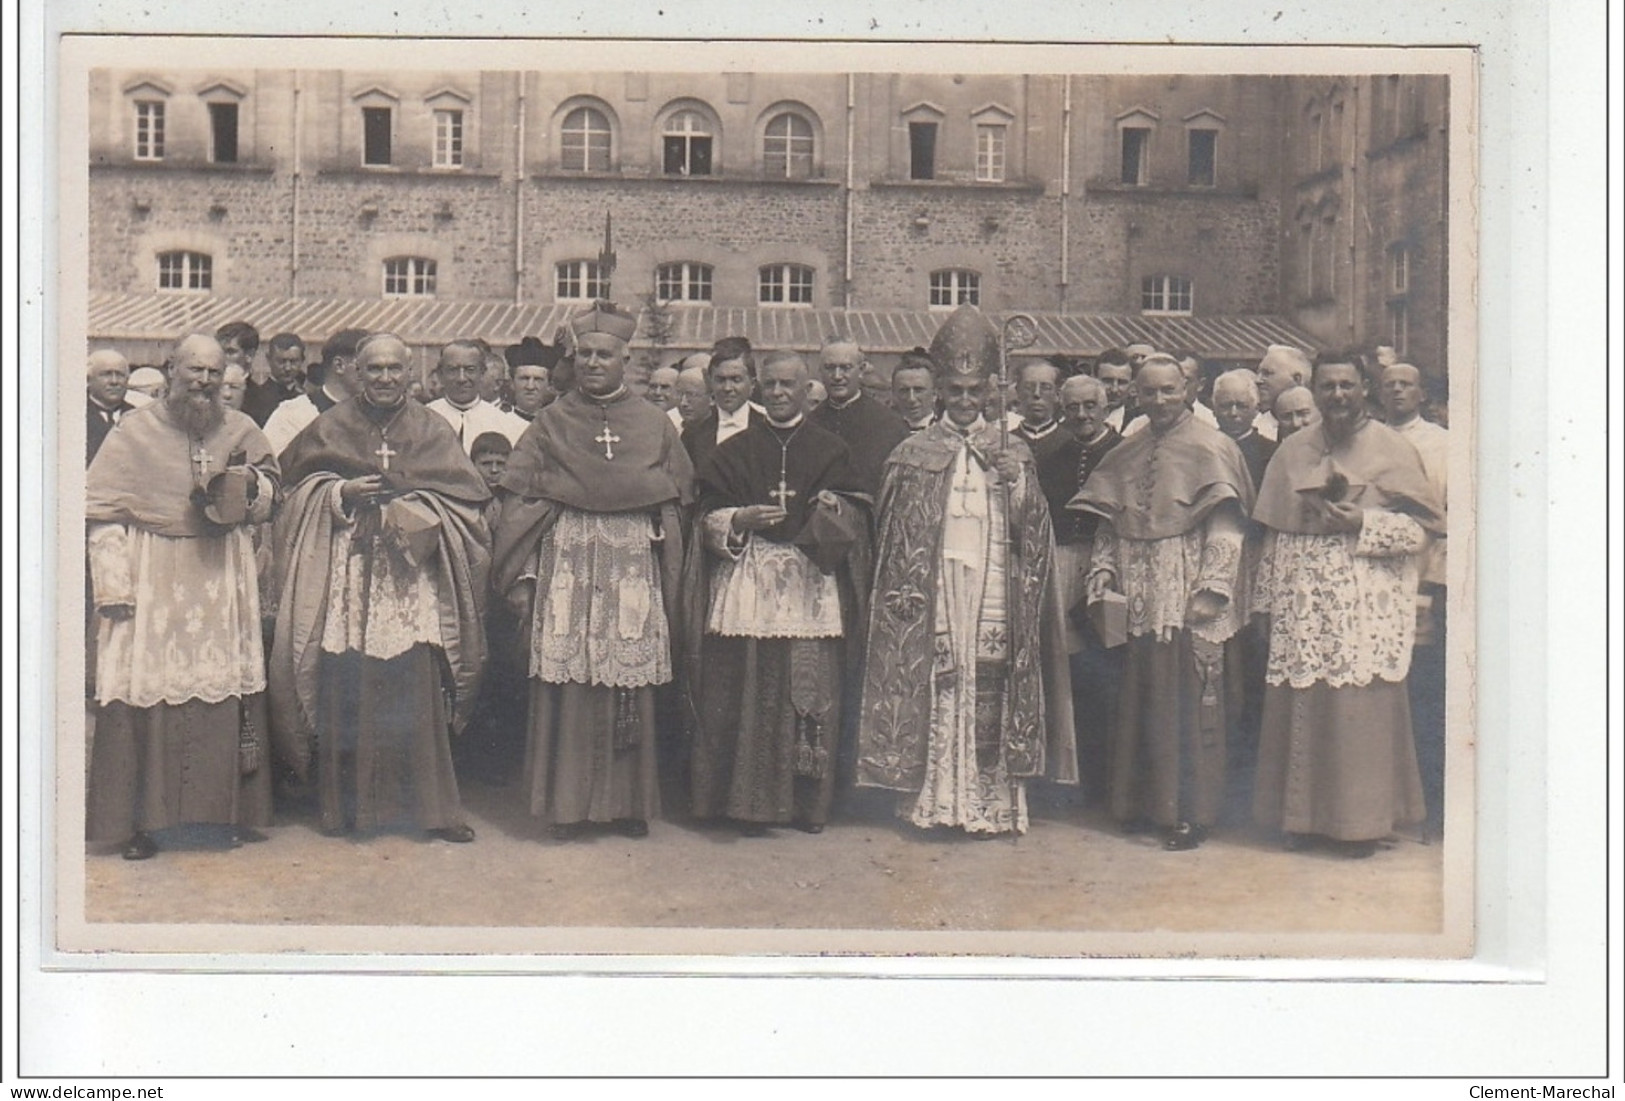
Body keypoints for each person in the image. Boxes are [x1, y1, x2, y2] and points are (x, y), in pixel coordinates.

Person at [857, 305, 1077, 837]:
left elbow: (1035, 532)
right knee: (939, 682)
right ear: (938, 393)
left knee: (990, 683)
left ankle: (989, 804)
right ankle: (934, 802)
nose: (964, 402)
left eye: (974, 392)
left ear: (990, 394)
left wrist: (1017, 485)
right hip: (932, 588)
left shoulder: (1012, 451)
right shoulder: (913, 452)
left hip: (994, 584)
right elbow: (890, 534)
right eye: (954, 391)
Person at [269, 333, 489, 843]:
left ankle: (432, 811)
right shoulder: (330, 425)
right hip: (351, 569)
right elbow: (291, 491)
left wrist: (423, 510)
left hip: (410, 577)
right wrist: (338, 492)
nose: (385, 378)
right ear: (356, 374)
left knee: (416, 683)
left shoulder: (431, 428)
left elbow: (468, 503)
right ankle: (354, 811)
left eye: (395, 369)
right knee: (352, 681)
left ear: (410, 373)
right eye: (374, 370)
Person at [493, 302, 694, 841]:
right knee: (572, 679)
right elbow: (521, 500)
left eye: (604, 354)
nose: (593, 363)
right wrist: (526, 574)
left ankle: (627, 804)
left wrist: (659, 531)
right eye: (584, 354)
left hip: (631, 562)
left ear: (625, 359)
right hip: (569, 563)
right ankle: (568, 805)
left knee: (629, 679)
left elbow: (679, 500)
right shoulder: (550, 421)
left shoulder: (654, 424)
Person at [85, 333, 279, 860]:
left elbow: (271, 491)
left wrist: (247, 489)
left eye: (215, 373)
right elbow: (100, 511)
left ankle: (219, 816)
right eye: (194, 371)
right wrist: (113, 588)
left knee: (219, 692)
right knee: (151, 690)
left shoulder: (241, 428)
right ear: (171, 370)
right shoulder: (133, 432)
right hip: (154, 578)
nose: (204, 382)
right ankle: (145, 823)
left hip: (220, 578)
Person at [1250, 354, 1444, 857]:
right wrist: (1268, 606)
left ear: (1365, 390)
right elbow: (1273, 535)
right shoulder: (1292, 449)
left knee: (1357, 710)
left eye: (1347, 385)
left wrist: (1364, 522)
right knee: (1301, 705)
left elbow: (1423, 531)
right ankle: (1301, 819)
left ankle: (1358, 824)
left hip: (1363, 602)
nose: (1337, 395)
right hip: (1302, 604)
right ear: (1313, 389)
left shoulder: (1392, 447)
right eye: (1327, 385)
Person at [1071, 354, 1255, 851]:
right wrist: (1104, 568)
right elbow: (1111, 519)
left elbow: (1227, 525)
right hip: (1139, 594)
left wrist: (1213, 588)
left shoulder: (1212, 447)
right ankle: (1142, 804)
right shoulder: (1128, 450)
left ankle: (1191, 812)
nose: (1159, 400)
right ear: (1134, 393)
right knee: (1141, 699)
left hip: (1189, 593)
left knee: (1191, 708)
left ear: (1186, 390)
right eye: (1148, 391)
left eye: (1168, 390)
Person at [684, 351, 869, 835]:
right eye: (771, 385)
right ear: (758, 389)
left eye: (789, 385)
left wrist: (835, 511)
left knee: (807, 693)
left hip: (811, 581)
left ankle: (806, 804)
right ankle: (738, 803)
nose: (780, 393)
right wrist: (736, 520)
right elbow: (704, 515)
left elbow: (858, 516)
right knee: (739, 685)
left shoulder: (831, 449)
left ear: (809, 391)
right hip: (749, 575)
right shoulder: (733, 449)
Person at [1379, 361, 1450, 832]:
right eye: (1389, 385)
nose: (1398, 391)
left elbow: (1442, 519)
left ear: (1421, 394)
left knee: (1422, 690)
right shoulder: (1372, 441)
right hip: (1378, 580)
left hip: (1425, 578)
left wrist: (1431, 585)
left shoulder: (1440, 445)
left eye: (1406, 384)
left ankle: (1429, 804)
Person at [1057, 372, 1123, 800]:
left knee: (1108, 673)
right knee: (1069, 673)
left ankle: (1105, 782)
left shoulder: (1123, 452)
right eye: (1073, 408)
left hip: (1111, 565)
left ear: (1104, 408)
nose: (1081, 415)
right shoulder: (1053, 453)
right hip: (1063, 565)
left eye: (1089, 407)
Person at [810, 338, 910, 496]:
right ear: (820, 371)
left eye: (845, 368)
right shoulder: (809, 424)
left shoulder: (890, 424)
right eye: (829, 367)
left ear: (862, 370)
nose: (837, 376)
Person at [262, 328, 368, 456]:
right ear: (339, 365)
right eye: (368, 366)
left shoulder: (381, 415)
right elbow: (270, 469)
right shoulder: (292, 416)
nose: (378, 376)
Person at [427, 340, 529, 454]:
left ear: (482, 373)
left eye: (470, 370)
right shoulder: (425, 419)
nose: (462, 378)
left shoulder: (503, 423)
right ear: (441, 374)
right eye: (453, 370)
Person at [681, 337, 765, 473]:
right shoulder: (693, 432)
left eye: (736, 380)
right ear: (710, 383)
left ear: (752, 384)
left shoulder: (767, 426)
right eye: (720, 380)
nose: (727, 388)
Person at [1122, 352, 1219, 436]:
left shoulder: (1211, 423)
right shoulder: (1136, 426)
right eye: (1150, 392)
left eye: (1168, 390)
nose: (1159, 400)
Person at [1212, 369, 1276, 490]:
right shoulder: (1202, 448)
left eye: (1242, 406)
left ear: (1256, 409)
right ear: (1214, 409)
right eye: (1226, 406)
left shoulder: (1271, 453)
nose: (1233, 413)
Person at [242, 332, 308, 427]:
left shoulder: (306, 400)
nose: (287, 368)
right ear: (269, 359)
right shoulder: (253, 398)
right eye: (281, 361)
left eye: (293, 362)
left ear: (302, 361)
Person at [1253, 344, 1312, 441]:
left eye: (1267, 373)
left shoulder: (1325, 426)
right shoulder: (1255, 429)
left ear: (1297, 379)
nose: (1257, 380)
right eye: (1258, 373)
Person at [86, 348, 134, 465]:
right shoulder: (73, 417)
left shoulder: (139, 417)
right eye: (106, 374)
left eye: (120, 375)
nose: (114, 381)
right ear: (88, 380)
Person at [503, 337, 560, 422]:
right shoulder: (499, 423)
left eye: (538, 379)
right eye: (524, 378)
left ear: (549, 385)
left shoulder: (556, 425)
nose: (530, 386)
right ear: (512, 383)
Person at [890, 350, 938, 432]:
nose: (911, 399)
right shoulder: (883, 432)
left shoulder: (950, 433)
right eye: (904, 391)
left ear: (935, 393)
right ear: (894, 395)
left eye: (918, 390)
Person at [1095, 349, 1135, 433]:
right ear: (1093, 380)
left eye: (1121, 382)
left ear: (1131, 386)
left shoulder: (1138, 426)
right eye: (1107, 381)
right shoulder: (1077, 421)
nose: (1114, 389)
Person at [672, 357, 713, 432]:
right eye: (679, 394)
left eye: (691, 395)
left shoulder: (722, 433)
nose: (683, 403)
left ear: (712, 398)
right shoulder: (672, 428)